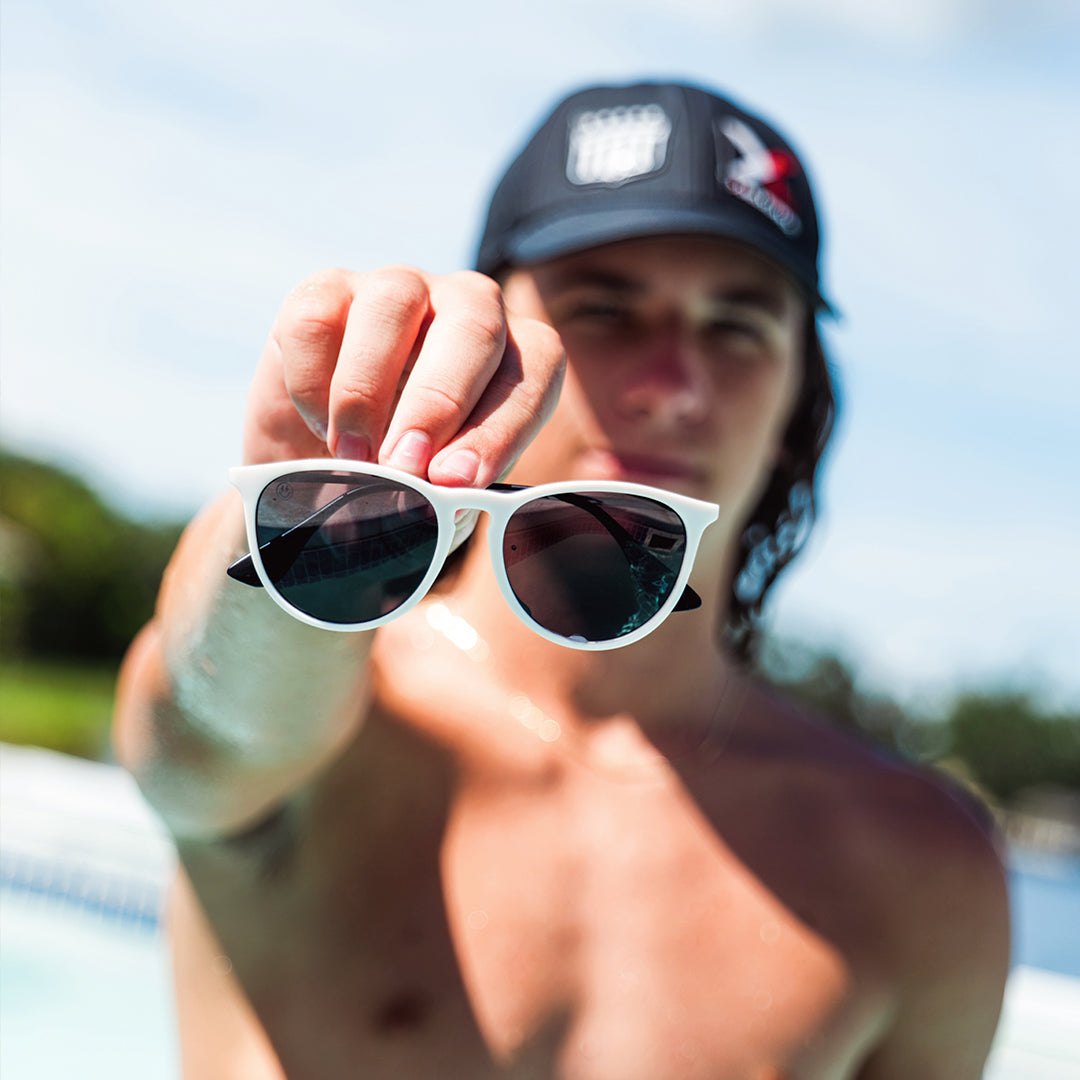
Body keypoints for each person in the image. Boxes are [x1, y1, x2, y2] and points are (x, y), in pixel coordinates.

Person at [114, 80, 1010, 1079]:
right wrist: (292, 510)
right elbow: (215, 724)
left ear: (802, 392)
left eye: (736, 326)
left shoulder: (920, 867)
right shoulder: (340, 730)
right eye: (605, 310)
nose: (674, 385)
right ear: (495, 349)